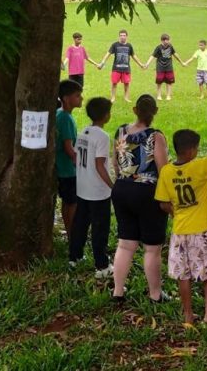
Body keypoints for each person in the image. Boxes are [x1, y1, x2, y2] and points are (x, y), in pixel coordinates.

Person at [154, 112, 207, 324]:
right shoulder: (200, 167)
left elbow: (162, 203)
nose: (197, 152)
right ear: (190, 151)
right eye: (196, 149)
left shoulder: (167, 172)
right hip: (202, 229)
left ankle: (188, 315)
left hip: (179, 231)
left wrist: (176, 212)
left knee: (184, 274)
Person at [111, 95, 169, 301]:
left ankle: (118, 291)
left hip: (121, 189)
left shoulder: (120, 131)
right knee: (152, 248)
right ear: (155, 111)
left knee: (125, 244)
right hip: (147, 192)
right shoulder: (156, 137)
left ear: (135, 110)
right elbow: (163, 169)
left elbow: (116, 163)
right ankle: (155, 294)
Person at [69, 96, 114, 279]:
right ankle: (102, 265)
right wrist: (112, 185)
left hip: (82, 188)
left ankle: (75, 257)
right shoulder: (102, 137)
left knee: (80, 224)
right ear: (106, 116)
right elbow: (99, 164)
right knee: (100, 228)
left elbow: (77, 158)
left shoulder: (83, 132)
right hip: (98, 192)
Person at [55, 79, 83, 234]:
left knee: (67, 202)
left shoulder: (59, 113)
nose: (81, 98)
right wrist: (78, 162)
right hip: (68, 170)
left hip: (62, 168)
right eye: (77, 96)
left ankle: (69, 229)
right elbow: (68, 147)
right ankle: (73, 234)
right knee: (72, 203)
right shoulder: (65, 118)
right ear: (66, 98)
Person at [98, 30, 145, 103]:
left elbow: (133, 56)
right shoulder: (115, 45)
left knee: (126, 83)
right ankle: (113, 98)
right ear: (119, 36)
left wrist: (141, 64)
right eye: (121, 35)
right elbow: (108, 54)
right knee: (114, 83)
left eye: (124, 35)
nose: (122, 37)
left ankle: (126, 97)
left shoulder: (129, 46)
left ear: (126, 36)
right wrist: (102, 63)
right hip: (116, 68)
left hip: (126, 68)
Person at [145, 33, 184, 101]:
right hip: (160, 68)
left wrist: (181, 62)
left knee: (169, 82)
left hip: (169, 67)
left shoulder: (170, 47)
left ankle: (168, 95)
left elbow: (175, 54)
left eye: (168, 40)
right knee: (159, 82)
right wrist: (147, 63)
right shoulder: (158, 47)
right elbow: (153, 56)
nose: (166, 41)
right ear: (162, 41)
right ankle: (159, 95)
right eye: (165, 40)